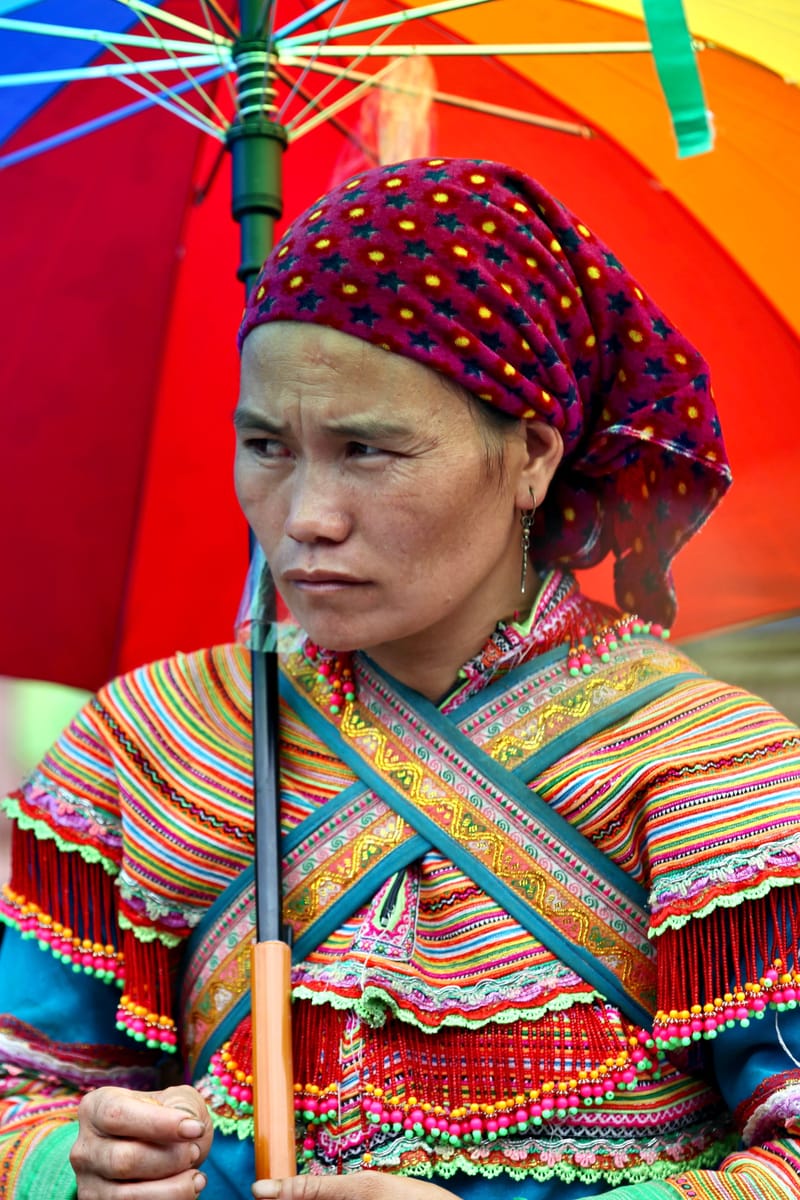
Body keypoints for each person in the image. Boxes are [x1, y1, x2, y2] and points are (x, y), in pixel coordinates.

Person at [2, 157, 800, 1200]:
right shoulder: (149, 744)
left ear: (530, 457)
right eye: (264, 445)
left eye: (366, 450)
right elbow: (21, 1085)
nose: (303, 517)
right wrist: (78, 1166)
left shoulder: (714, 773)